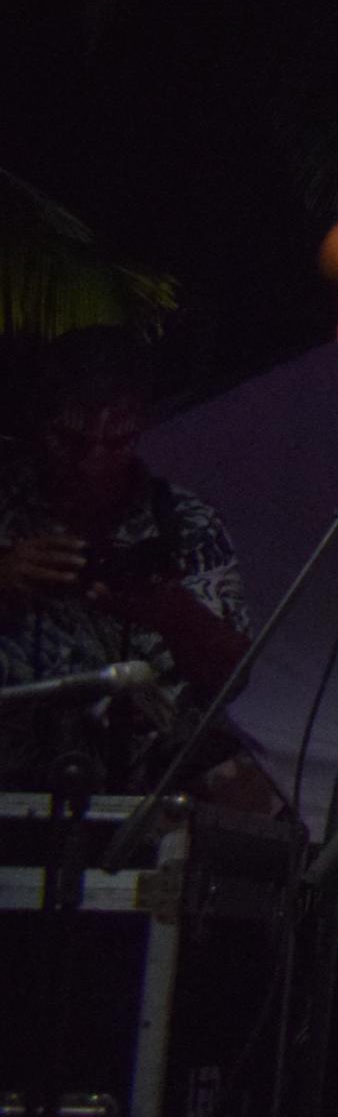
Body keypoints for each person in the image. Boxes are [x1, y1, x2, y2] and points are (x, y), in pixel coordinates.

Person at [0, 328, 251, 795]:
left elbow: (234, 676)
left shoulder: (183, 522)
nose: (92, 463)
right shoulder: (7, 504)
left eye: (116, 443)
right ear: (40, 425)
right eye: (71, 442)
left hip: (147, 785)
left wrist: (169, 610)